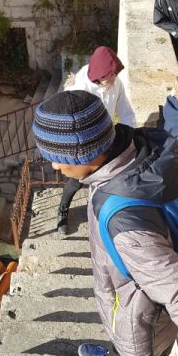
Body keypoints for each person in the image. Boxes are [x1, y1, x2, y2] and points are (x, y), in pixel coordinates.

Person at [32, 90, 178, 356]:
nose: (54, 166)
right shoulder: (142, 146)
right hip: (129, 301)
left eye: (59, 157)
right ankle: (117, 355)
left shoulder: (127, 225)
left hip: (147, 321)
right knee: (126, 338)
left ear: (86, 155)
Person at [56, 46, 136, 235]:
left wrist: (129, 134)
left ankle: (102, 216)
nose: (114, 78)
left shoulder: (115, 83)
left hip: (106, 138)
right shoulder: (78, 90)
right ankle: (62, 210)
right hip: (82, 142)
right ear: (98, 74)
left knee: (107, 180)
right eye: (110, 75)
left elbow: (125, 112)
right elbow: (70, 124)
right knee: (76, 182)